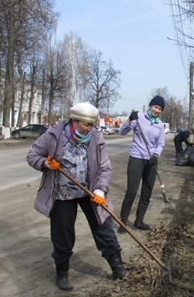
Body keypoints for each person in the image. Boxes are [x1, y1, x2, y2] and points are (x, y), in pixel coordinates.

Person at [26, 102, 126, 291]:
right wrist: (45, 163)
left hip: (89, 192)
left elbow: (104, 167)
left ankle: (118, 267)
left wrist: (100, 191)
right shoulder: (53, 136)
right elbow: (32, 155)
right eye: (85, 124)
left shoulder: (96, 137)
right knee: (62, 234)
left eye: (91, 124)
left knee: (103, 228)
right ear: (74, 120)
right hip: (62, 194)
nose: (89, 128)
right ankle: (62, 273)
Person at [117, 95, 166, 233]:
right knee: (132, 191)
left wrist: (156, 155)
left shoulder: (160, 125)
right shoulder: (138, 117)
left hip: (151, 161)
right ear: (151, 106)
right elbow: (122, 132)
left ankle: (139, 221)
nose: (157, 110)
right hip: (136, 158)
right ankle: (123, 221)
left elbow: (160, 144)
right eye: (156, 107)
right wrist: (129, 120)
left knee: (146, 192)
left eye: (160, 108)